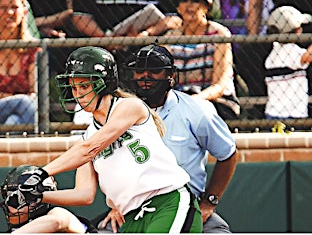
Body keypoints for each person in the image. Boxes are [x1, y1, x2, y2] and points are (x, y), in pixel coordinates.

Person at [7, 46, 203, 233]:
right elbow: (84, 194)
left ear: (104, 84)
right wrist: (36, 196)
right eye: (74, 88)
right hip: (132, 217)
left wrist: (41, 173)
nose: (79, 94)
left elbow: (89, 149)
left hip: (167, 202)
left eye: (84, 86)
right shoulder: (87, 137)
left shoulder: (130, 107)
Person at [91, 43, 238, 233]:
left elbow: (228, 153)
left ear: (171, 76)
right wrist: (115, 205)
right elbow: (110, 163)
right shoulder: (117, 113)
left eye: (154, 70)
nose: (146, 76)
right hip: (134, 208)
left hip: (186, 205)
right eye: (140, 70)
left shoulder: (197, 111)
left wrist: (210, 201)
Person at [162, 0, 240, 120]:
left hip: (216, 102)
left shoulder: (219, 34)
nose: (189, 5)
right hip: (180, 103)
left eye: (196, 0)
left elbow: (219, 86)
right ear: (178, 7)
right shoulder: (168, 39)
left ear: (207, 7)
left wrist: (193, 101)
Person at [0, 165, 97, 233]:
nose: (11, 203)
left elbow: (57, 221)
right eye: (8, 195)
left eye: (21, 198)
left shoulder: (56, 213)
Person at [263, 6, 312, 120]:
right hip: (293, 114)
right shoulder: (291, 50)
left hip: (273, 112)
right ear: (297, 31)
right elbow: (308, 56)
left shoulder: (273, 52)